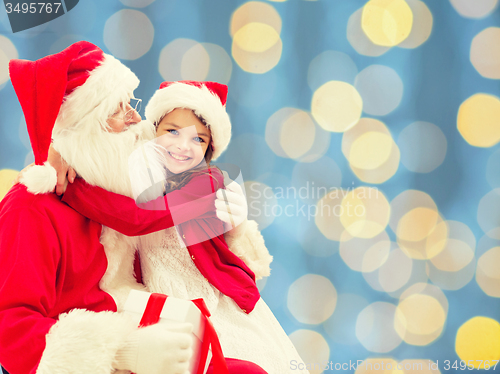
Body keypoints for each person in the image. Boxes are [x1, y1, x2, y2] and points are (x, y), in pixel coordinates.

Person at [0, 42, 254, 374]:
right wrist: (121, 353)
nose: (136, 119)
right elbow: (10, 329)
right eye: (120, 109)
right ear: (87, 125)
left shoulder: (117, 188)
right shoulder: (31, 208)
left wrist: (233, 224)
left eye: (131, 103)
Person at [48, 80, 309, 374]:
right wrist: (63, 155)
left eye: (198, 139)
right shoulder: (138, 172)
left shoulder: (207, 183)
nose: (183, 146)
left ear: (210, 148)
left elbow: (138, 220)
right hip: (161, 301)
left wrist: (70, 188)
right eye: (172, 131)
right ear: (152, 131)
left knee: (243, 363)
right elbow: (100, 157)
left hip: (213, 301)